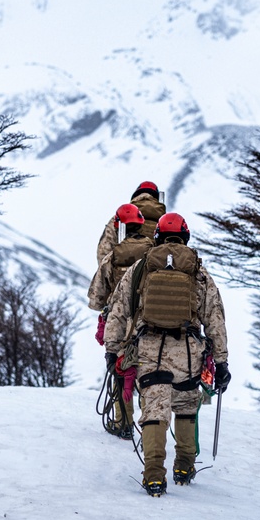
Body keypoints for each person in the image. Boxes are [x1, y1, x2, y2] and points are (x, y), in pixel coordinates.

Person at [103, 212, 231, 497]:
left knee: (154, 411)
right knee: (185, 407)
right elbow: (215, 319)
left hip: (150, 350)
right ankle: (184, 467)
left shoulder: (141, 267)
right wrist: (221, 361)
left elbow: (118, 311)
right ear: (185, 237)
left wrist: (112, 351)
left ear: (158, 236)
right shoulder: (198, 271)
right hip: (188, 352)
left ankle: (153, 477)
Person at [87, 203, 154, 439]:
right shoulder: (154, 253)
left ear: (120, 228)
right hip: (148, 325)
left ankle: (123, 423)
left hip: (120, 324)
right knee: (148, 376)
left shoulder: (112, 257)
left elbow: (96, 299)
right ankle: (151, 425)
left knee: (119, 371)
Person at [95, 181, 166, 265]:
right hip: (152, 271)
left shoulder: (120, 216)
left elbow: (104, 250)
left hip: (122, 271)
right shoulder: (166, 220)